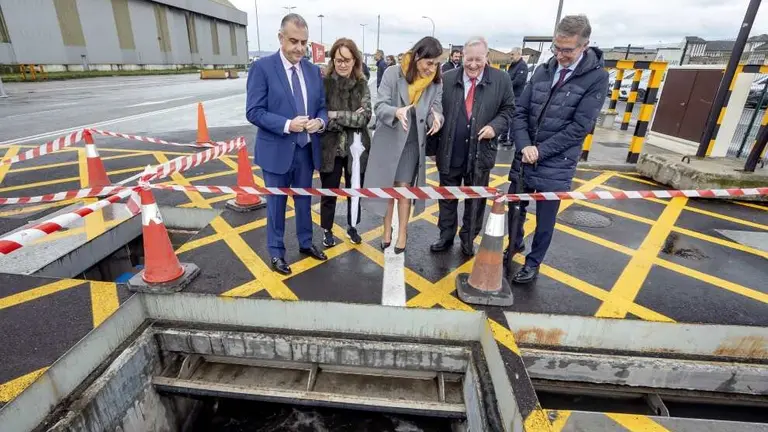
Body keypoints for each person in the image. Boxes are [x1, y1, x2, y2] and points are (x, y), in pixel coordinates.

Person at [506, 15, 608, 284]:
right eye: (556, 48)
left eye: (568, 50)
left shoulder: (596, 78)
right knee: (515, 207)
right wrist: (525, 144)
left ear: (584, 46)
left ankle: (533, 262)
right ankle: (514, 244)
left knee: (545, 219)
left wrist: (540, 150)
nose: (560, 55)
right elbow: (521, 111)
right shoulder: (542, 70)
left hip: (556, 161)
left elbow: (580, 126)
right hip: (525, 155)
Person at [245, 14, 329, 275]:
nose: (300, 48)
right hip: (276, 151)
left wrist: (320, 123)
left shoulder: (313, 71)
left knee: (304, 201)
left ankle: (306, 243)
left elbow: (323, 108)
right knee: (276, 205)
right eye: (294, 41)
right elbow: (254, 111)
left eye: (304, 42)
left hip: (305, 150)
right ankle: (276, 252)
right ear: (281, 38)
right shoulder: (263, 68)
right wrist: (286, 124)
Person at [430, 37, 515, 256]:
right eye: (469, 59)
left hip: (480, 154)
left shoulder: (501, 79)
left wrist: (495, 127)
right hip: (450, 151)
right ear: (461, 56)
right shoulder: (446, 79)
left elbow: (508, 110)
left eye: (479, 59)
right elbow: (435, 109)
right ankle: (445, 236)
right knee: (447, 197)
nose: (473, 64)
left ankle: (468, 239)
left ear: (487, 58)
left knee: (475, 200)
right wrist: (432, 147)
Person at [364, 37, 444, 254]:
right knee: (388, 189)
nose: (432, 69)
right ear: (418, 56)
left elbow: (436, 110)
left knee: (404, 189)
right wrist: (395, 112)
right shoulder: (393, 73)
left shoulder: (435, 83)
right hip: (389, 138)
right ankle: (386, 230)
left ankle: (402, 233)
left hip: (411, 144)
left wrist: (436, 119)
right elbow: (379, 106)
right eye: (429, 63)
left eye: (436, 64)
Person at [320, 38, 372, 247]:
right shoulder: (324, 84)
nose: (342, 64)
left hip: (356, 149)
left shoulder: (362, 84)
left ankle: (352, 226)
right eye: (338, 59)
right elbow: (322, 118)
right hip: (330, 148)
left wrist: (336, 115)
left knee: (355, 190)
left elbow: (365, 117)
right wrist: (348, 116)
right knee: (328, 192)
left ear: (354, 61)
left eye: (347, 60)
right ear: (333, 60)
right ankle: (327, 229)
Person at [502, 47, 528, 147]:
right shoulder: (513, 65)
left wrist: (506, 85)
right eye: (511, 54)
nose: (511, 56)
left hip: (517, 96)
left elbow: (518, 81)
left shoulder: (522, 66)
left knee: (513, 119)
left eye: (512, 54)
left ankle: (511, 139)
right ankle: (503, 137)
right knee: (506, 116)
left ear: (518, 54)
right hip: (509, 96)